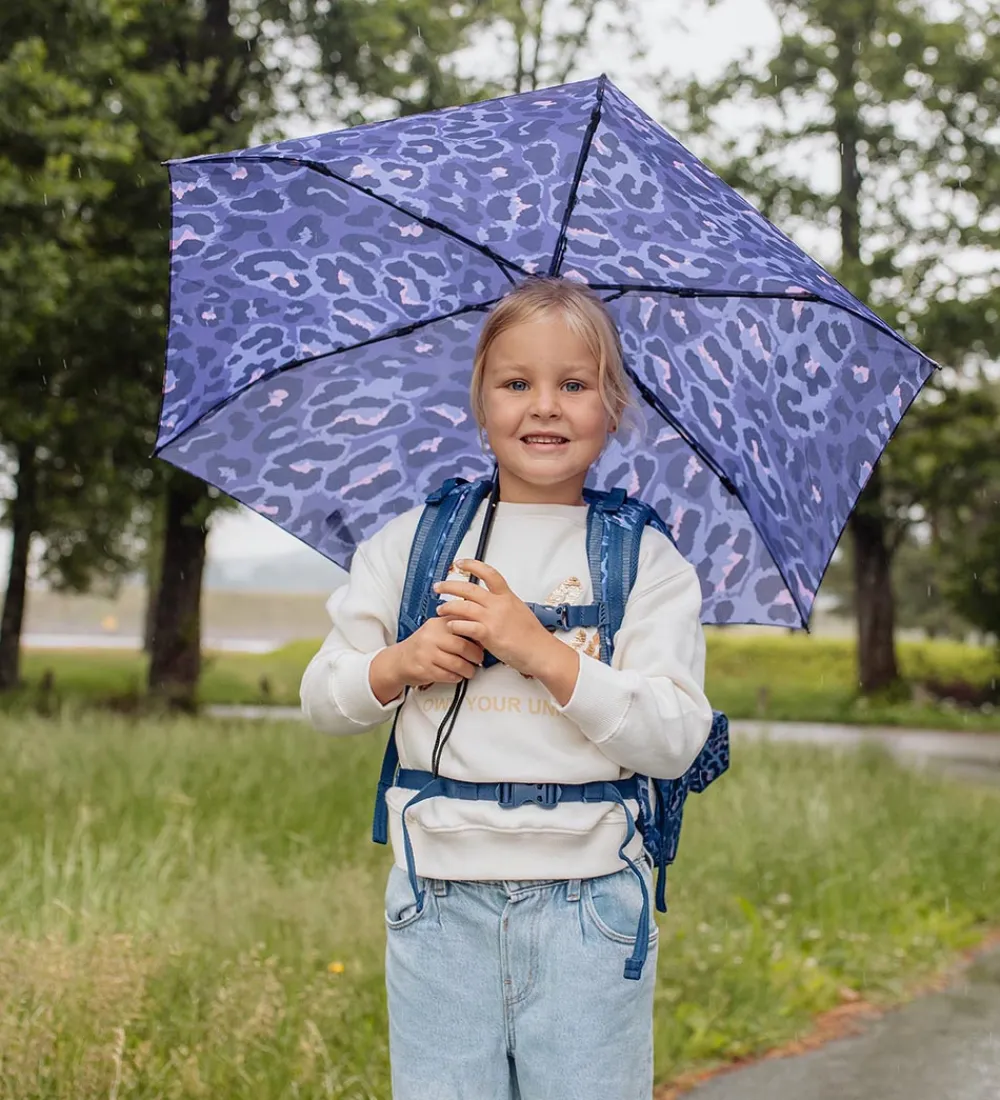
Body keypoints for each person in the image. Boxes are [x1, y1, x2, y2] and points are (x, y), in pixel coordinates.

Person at [300, 277, 713, 1100]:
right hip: (438, 900)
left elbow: (674, 737)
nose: (544, 408)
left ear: (613, 407)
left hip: (591, 907)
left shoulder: (645, 560)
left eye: (574, 384)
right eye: (516, 383)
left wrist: (541, 652)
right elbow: (322, 697)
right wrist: (402, 663)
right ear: (480, 402)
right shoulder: (414, 542)